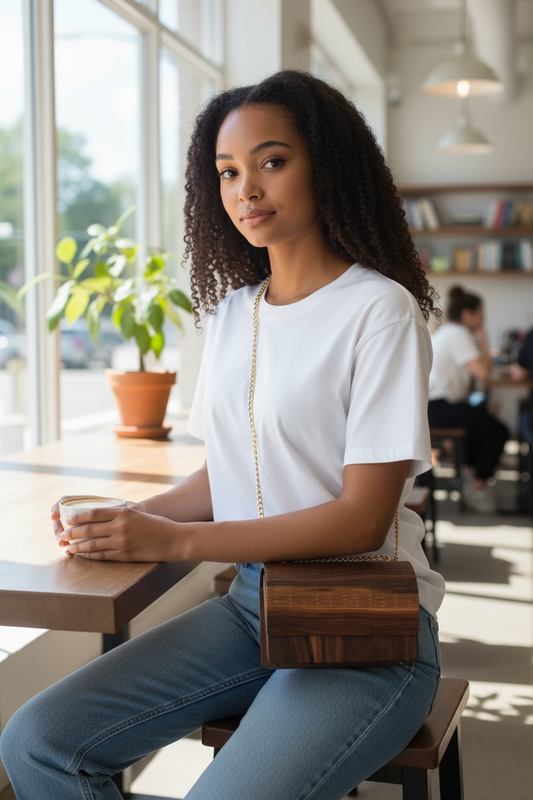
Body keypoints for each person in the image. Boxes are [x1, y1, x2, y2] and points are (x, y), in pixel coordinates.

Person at [0, 70, 445, 800]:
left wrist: (174, 543)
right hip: (250, 605)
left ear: (326, 165)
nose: (246, 189)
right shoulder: (235, 313)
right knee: (38, 742)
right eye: (228, 172)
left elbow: (361, 518)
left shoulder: (379, 310)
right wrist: (137, 520)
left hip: (365, 630)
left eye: (272, 161)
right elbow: (229, 474)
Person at [428, 285, 508, 514]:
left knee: (481, 418)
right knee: (498, 431)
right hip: (439, 406)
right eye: (481, 315)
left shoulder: (449, 332)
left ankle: (470, 474)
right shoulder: (459, 334)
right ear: (467, 315)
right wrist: (483, 337)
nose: (483, 320)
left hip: (439, 405)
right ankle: (477, 483)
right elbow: (484, 374)